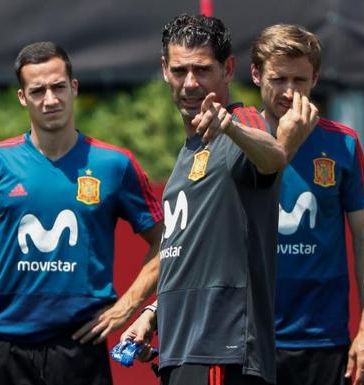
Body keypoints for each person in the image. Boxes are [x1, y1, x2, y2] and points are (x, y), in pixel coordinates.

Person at [0, 41, 164, 385]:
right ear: (23, 97)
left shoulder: (114, 164)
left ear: (74, 88)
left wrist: (128, 305)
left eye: (58, 87)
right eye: (37, 91)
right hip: (3, 347)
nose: (50, 99)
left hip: (80, 349)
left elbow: (164, 242)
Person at [121, 15, 315, 385]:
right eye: (180, 70)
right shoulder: (187, 152)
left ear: (227, 69)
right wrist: (154, 314)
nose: (190, 83)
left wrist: (228, 125)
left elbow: (274, 158)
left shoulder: (240, 123)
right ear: (165, 70)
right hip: (182, 351)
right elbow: (193, 255)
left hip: (222, 352)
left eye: (202, 70)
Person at [249, 24, 364, 385]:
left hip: (322, 338)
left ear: (316, 78)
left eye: (301, 80)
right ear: (255, 73)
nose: (290, 92)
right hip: (247, 339)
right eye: (278, 78)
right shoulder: (235, 134)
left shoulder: (343, 143)